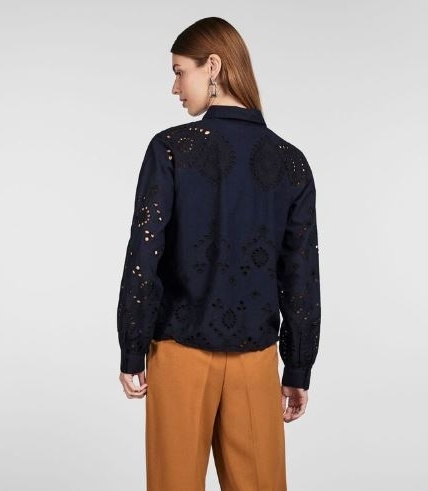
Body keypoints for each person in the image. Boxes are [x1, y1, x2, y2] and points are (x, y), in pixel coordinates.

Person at [116, 16, 321, 491]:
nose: (174, 87)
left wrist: (132, 348)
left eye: (178, 71)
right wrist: (297, 366)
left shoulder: (170, 149)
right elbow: (301, 275)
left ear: (212, 66)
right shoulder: (291, 162)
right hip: (256, 362)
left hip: (179, 356)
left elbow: (144, 256)